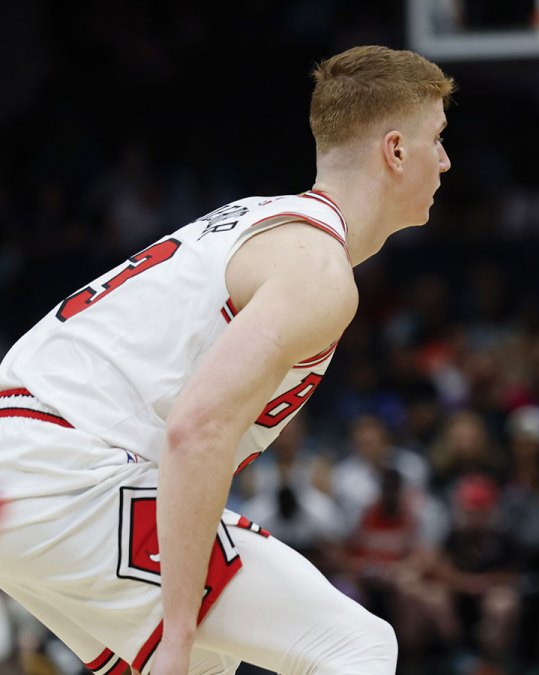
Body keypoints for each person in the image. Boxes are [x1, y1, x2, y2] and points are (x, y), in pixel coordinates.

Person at [0, 45, 453, 674]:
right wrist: (178, 634)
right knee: (354, 645)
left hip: (29, 472)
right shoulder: (316, 271)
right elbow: (198, 430)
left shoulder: (256, 220)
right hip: (68, 472)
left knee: (213, 662)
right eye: (438, 139)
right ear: (396, 151)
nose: (447, 160)